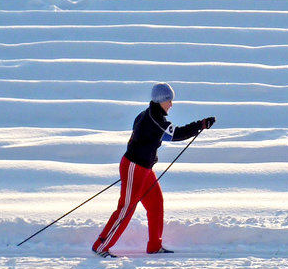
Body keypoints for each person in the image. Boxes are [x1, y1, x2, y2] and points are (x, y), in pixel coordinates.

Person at [92, 83, 215, 258]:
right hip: (135, 167)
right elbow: (176, 134)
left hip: (143, 168)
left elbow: (155, 133)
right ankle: (100, 246)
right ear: (161, 101)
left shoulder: (147, 115)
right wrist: (200, 125)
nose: (171, 104)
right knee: (126, 208)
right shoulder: (156, 119)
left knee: (156, 204)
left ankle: (155, 246)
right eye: (169, 101)